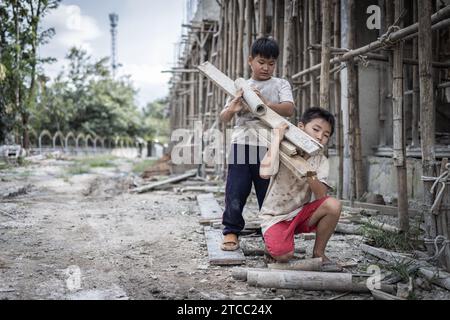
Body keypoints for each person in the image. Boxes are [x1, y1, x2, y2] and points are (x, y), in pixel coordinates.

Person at [219, 37, 295, 251]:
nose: (266, 67)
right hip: (242, 144)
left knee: (268, 192)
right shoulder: (242, 85)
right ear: (250, 60)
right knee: (236, 189)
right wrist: (233, 109)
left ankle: (270, 235)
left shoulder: (280, 84)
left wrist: (266, 104)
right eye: (261, 62)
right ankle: (231, 231)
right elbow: (224, 117)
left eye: (271, 63)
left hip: (269, 145)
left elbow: (289, 109)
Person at [259, 107, 342, 265]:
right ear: (301, 127)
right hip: (275, 217)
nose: (319, 137)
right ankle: (272, 245)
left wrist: (308, 170)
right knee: (284, 256)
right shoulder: (285, 148)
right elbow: (264, 173)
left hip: (300, 214)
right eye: (316, 129)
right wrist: (277, 139)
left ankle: (319, 253)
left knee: (333, 205)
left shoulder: (321, 160)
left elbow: (321, 196)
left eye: (326, 135)